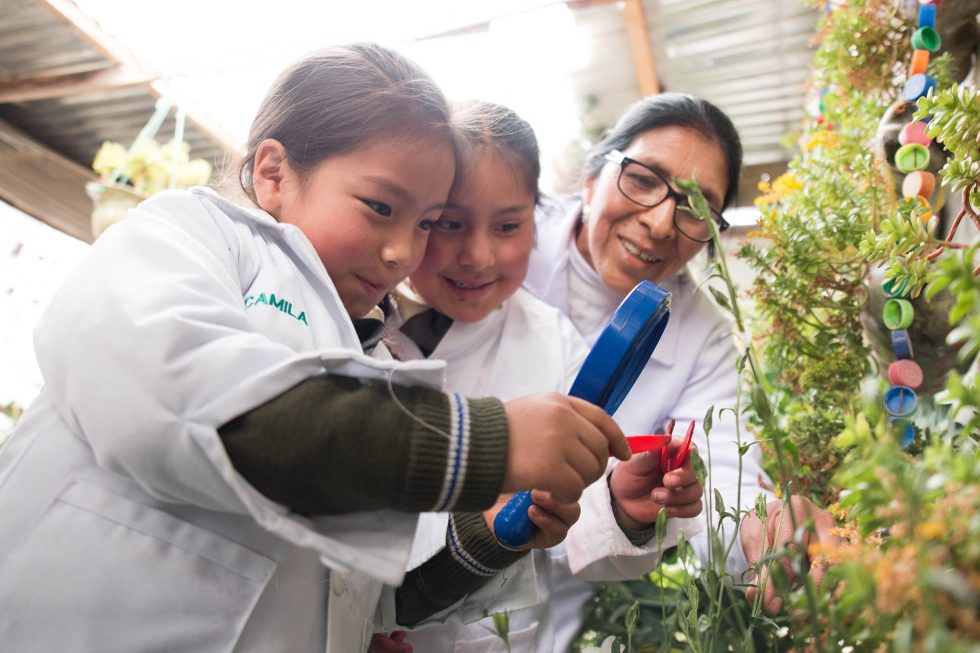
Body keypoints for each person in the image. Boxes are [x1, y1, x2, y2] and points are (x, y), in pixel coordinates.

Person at [0, 45, 631, 653]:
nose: (402, 253)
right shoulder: (189, 239)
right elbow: (177, 402)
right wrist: (486, 442)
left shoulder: (380, 362)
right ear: (273, 172)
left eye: (423, 223)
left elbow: (365, 592)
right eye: (381, 207)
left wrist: (489, 538)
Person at [369, 100, 703, 653]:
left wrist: (620, 501)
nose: (477, 255)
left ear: (537, 218)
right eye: (449, 223)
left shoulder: (554, 343)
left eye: (508, 225)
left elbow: (575, 505)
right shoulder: (355, 321)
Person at [527, 92, 840, 616]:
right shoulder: (505, 246)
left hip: (549, 615)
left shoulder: (702, 332)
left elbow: (717, 467)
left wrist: (760, 525)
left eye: (697, 207)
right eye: (644, 179)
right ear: (590, 179)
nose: (660, 223)